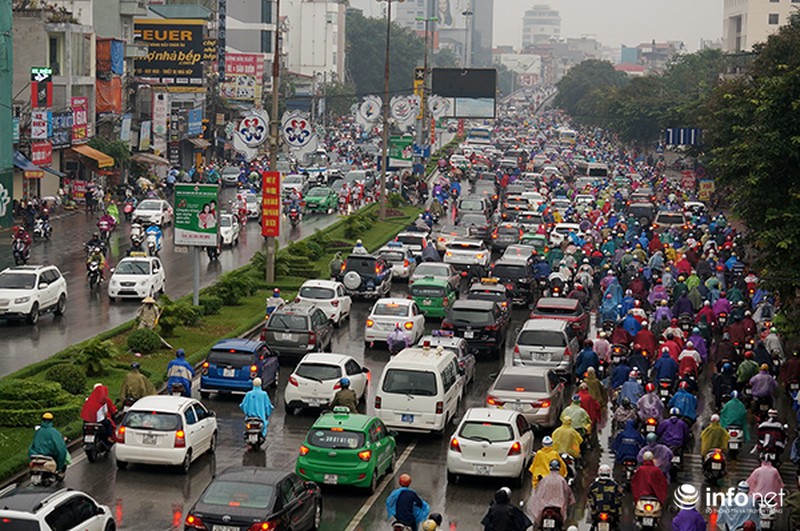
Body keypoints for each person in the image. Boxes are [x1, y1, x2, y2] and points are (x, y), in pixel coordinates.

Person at [528, 460, 575, 527]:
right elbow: (567, 493)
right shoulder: (562, 480)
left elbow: (538, 493)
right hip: (558, 508)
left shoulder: (545, 480)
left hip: (544, 507)